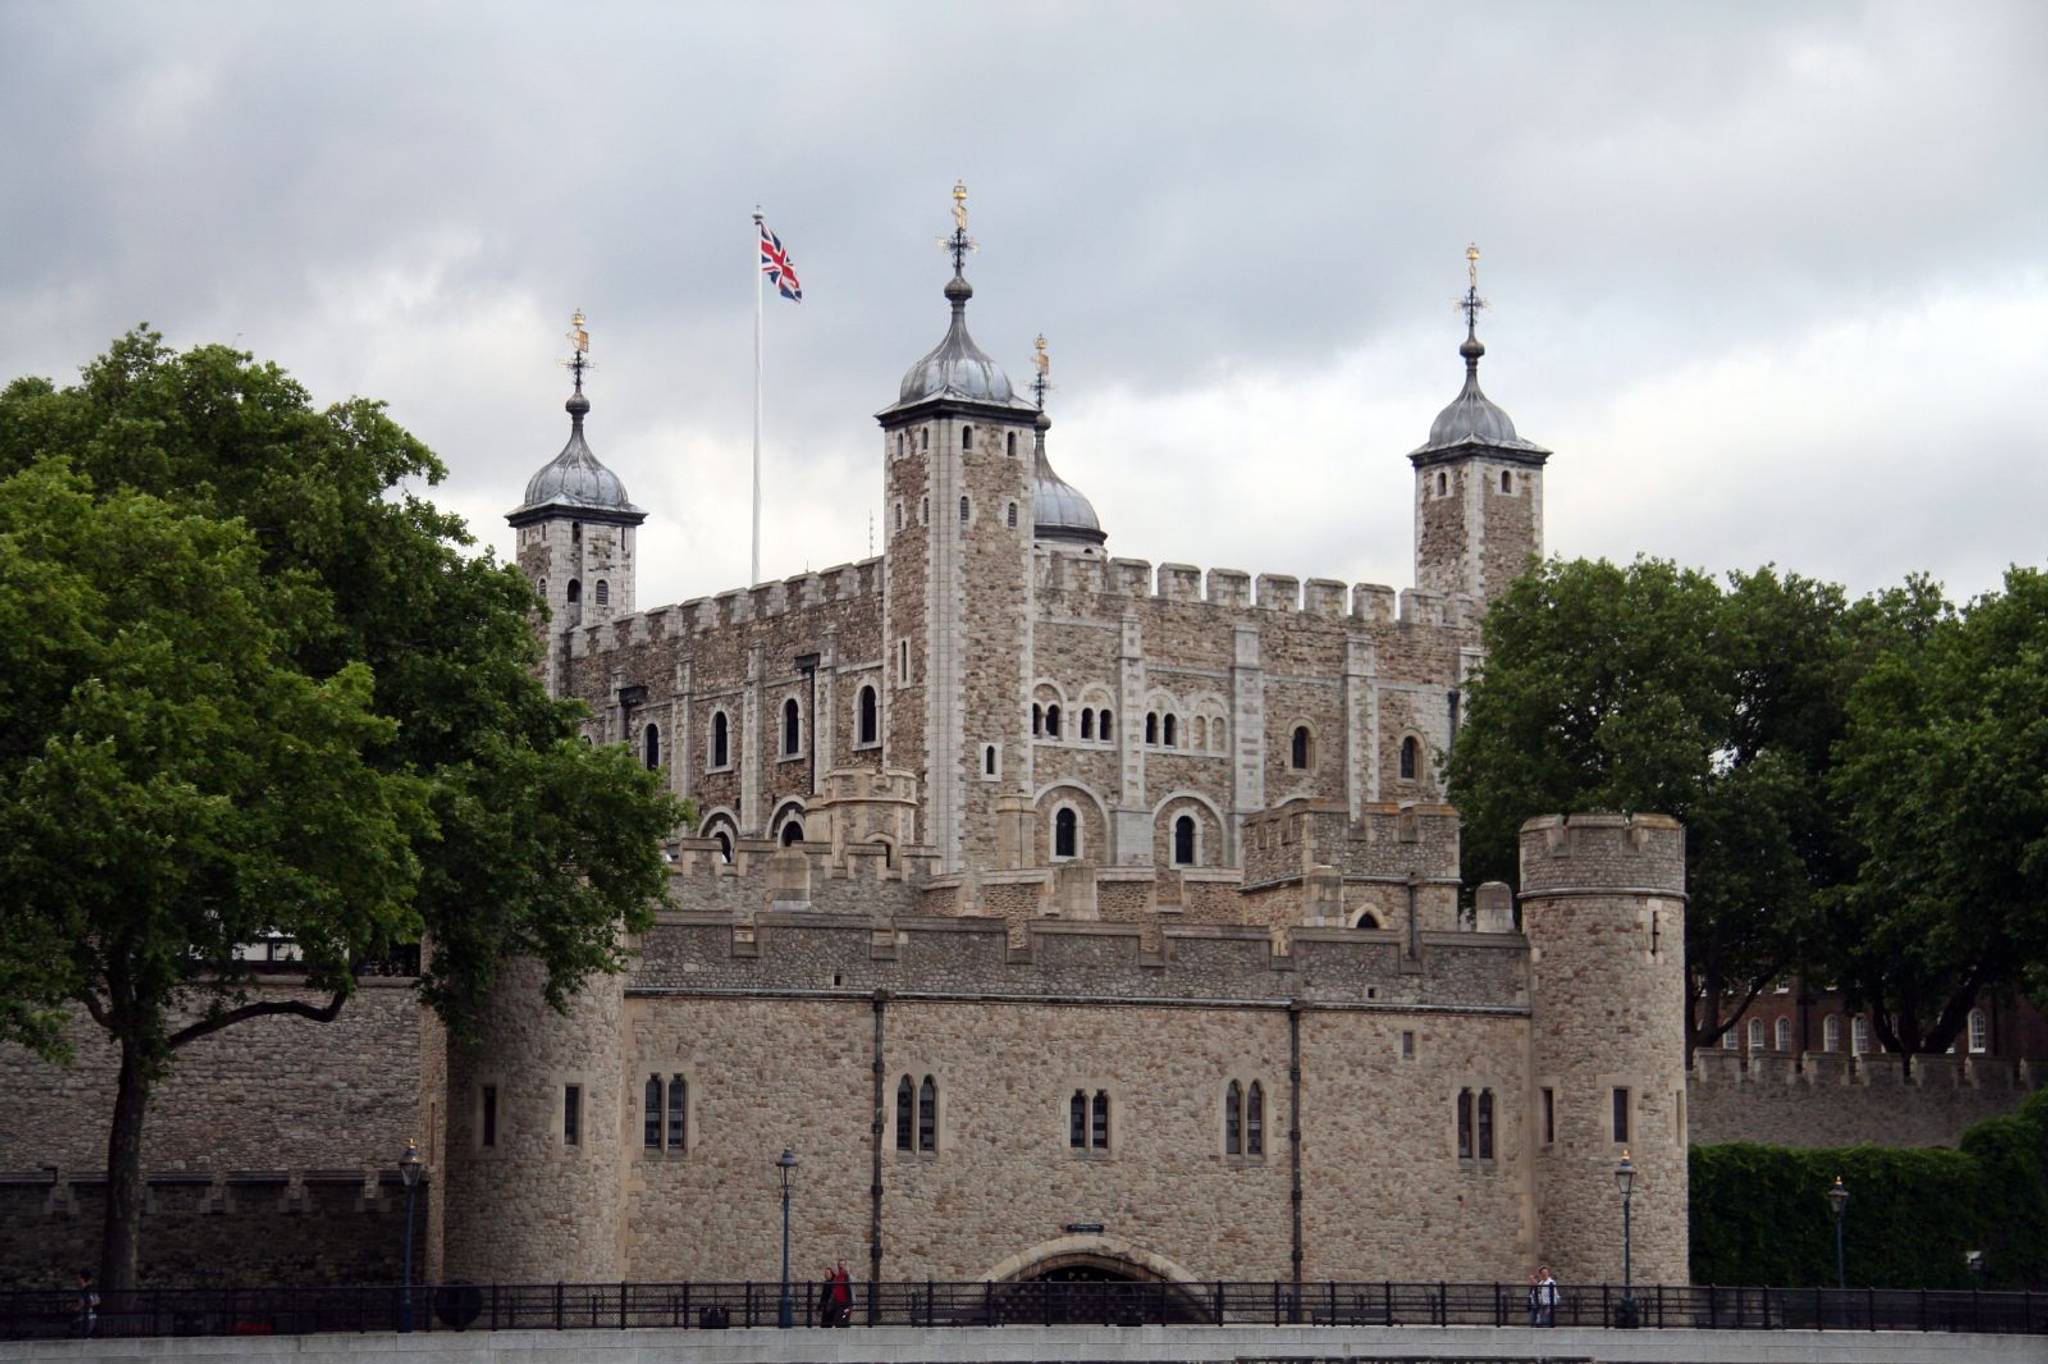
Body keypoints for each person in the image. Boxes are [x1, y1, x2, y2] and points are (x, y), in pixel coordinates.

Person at [72, 1269, 98, 1337]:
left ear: (82, 1279)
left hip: (86, 1318)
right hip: (91, 1317)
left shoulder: (85, 1291)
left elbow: (82, 1304)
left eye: (78, 1278)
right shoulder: (91, 1290)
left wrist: (74, 1308)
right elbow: (96, 1301)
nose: (76, 1281)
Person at [829, 1258, 852, 1327]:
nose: (840, 1266)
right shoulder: (837, 1277)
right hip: (837, 1303)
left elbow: (850, 1289)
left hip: (845, 1303)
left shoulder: (847, 1276)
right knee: (839, 1321)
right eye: (839, 1265)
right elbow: (834, 1289)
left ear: (845, 1266)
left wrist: (850, 1304)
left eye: (842, 1265)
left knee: (843, 1319)